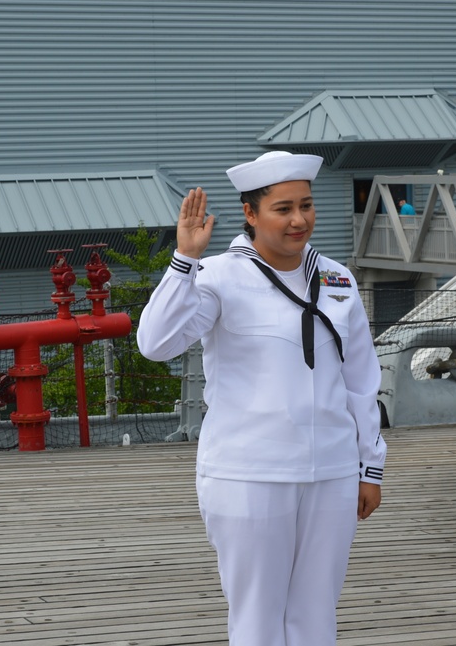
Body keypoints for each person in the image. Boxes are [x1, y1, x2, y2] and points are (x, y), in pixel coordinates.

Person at [137, 150, 386, 646]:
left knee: (316, 616)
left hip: (332, 474)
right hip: (250, 473)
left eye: (307, 206)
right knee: (257, 620)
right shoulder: (217, 276)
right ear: (250, 214)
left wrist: (369, 466)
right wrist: (184, 260)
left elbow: (360, 379)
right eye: (283, 209)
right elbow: (155, 344)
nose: (299, 220)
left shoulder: (337, 279)